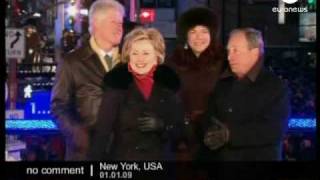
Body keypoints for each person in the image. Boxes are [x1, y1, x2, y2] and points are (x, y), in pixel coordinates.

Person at [88, 27, 183, 160]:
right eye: (135, 53)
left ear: (157, 56)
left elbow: (180, 132)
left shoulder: (169, 86)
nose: (140, 59)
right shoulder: (117, 85)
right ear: (128, 56)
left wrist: (162, 126)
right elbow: (102, 134)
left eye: (145, 53)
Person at [50, 0, 125, 160]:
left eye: (121, 22)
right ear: (96, 24)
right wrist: (78, 133)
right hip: (85, 153)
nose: (120, 27)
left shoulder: (129, 61)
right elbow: (58, 106)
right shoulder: (72, 62)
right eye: (114, 22)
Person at [201, 28, 290, 161]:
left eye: (235, 50)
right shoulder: (222, 84)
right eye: (228, 51)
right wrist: (209, 131)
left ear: (254, 52)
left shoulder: (275, 86)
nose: (230, 57)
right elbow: (209, 116)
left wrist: (230, 135)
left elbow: (274, 129)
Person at [165, 7, 225, 160]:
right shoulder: (173, 63)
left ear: (212, 34)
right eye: (193, 32)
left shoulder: (224, 63)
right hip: (181, 138)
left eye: (204, 31)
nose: (198, 37)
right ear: (185, 35)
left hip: (214, 137)